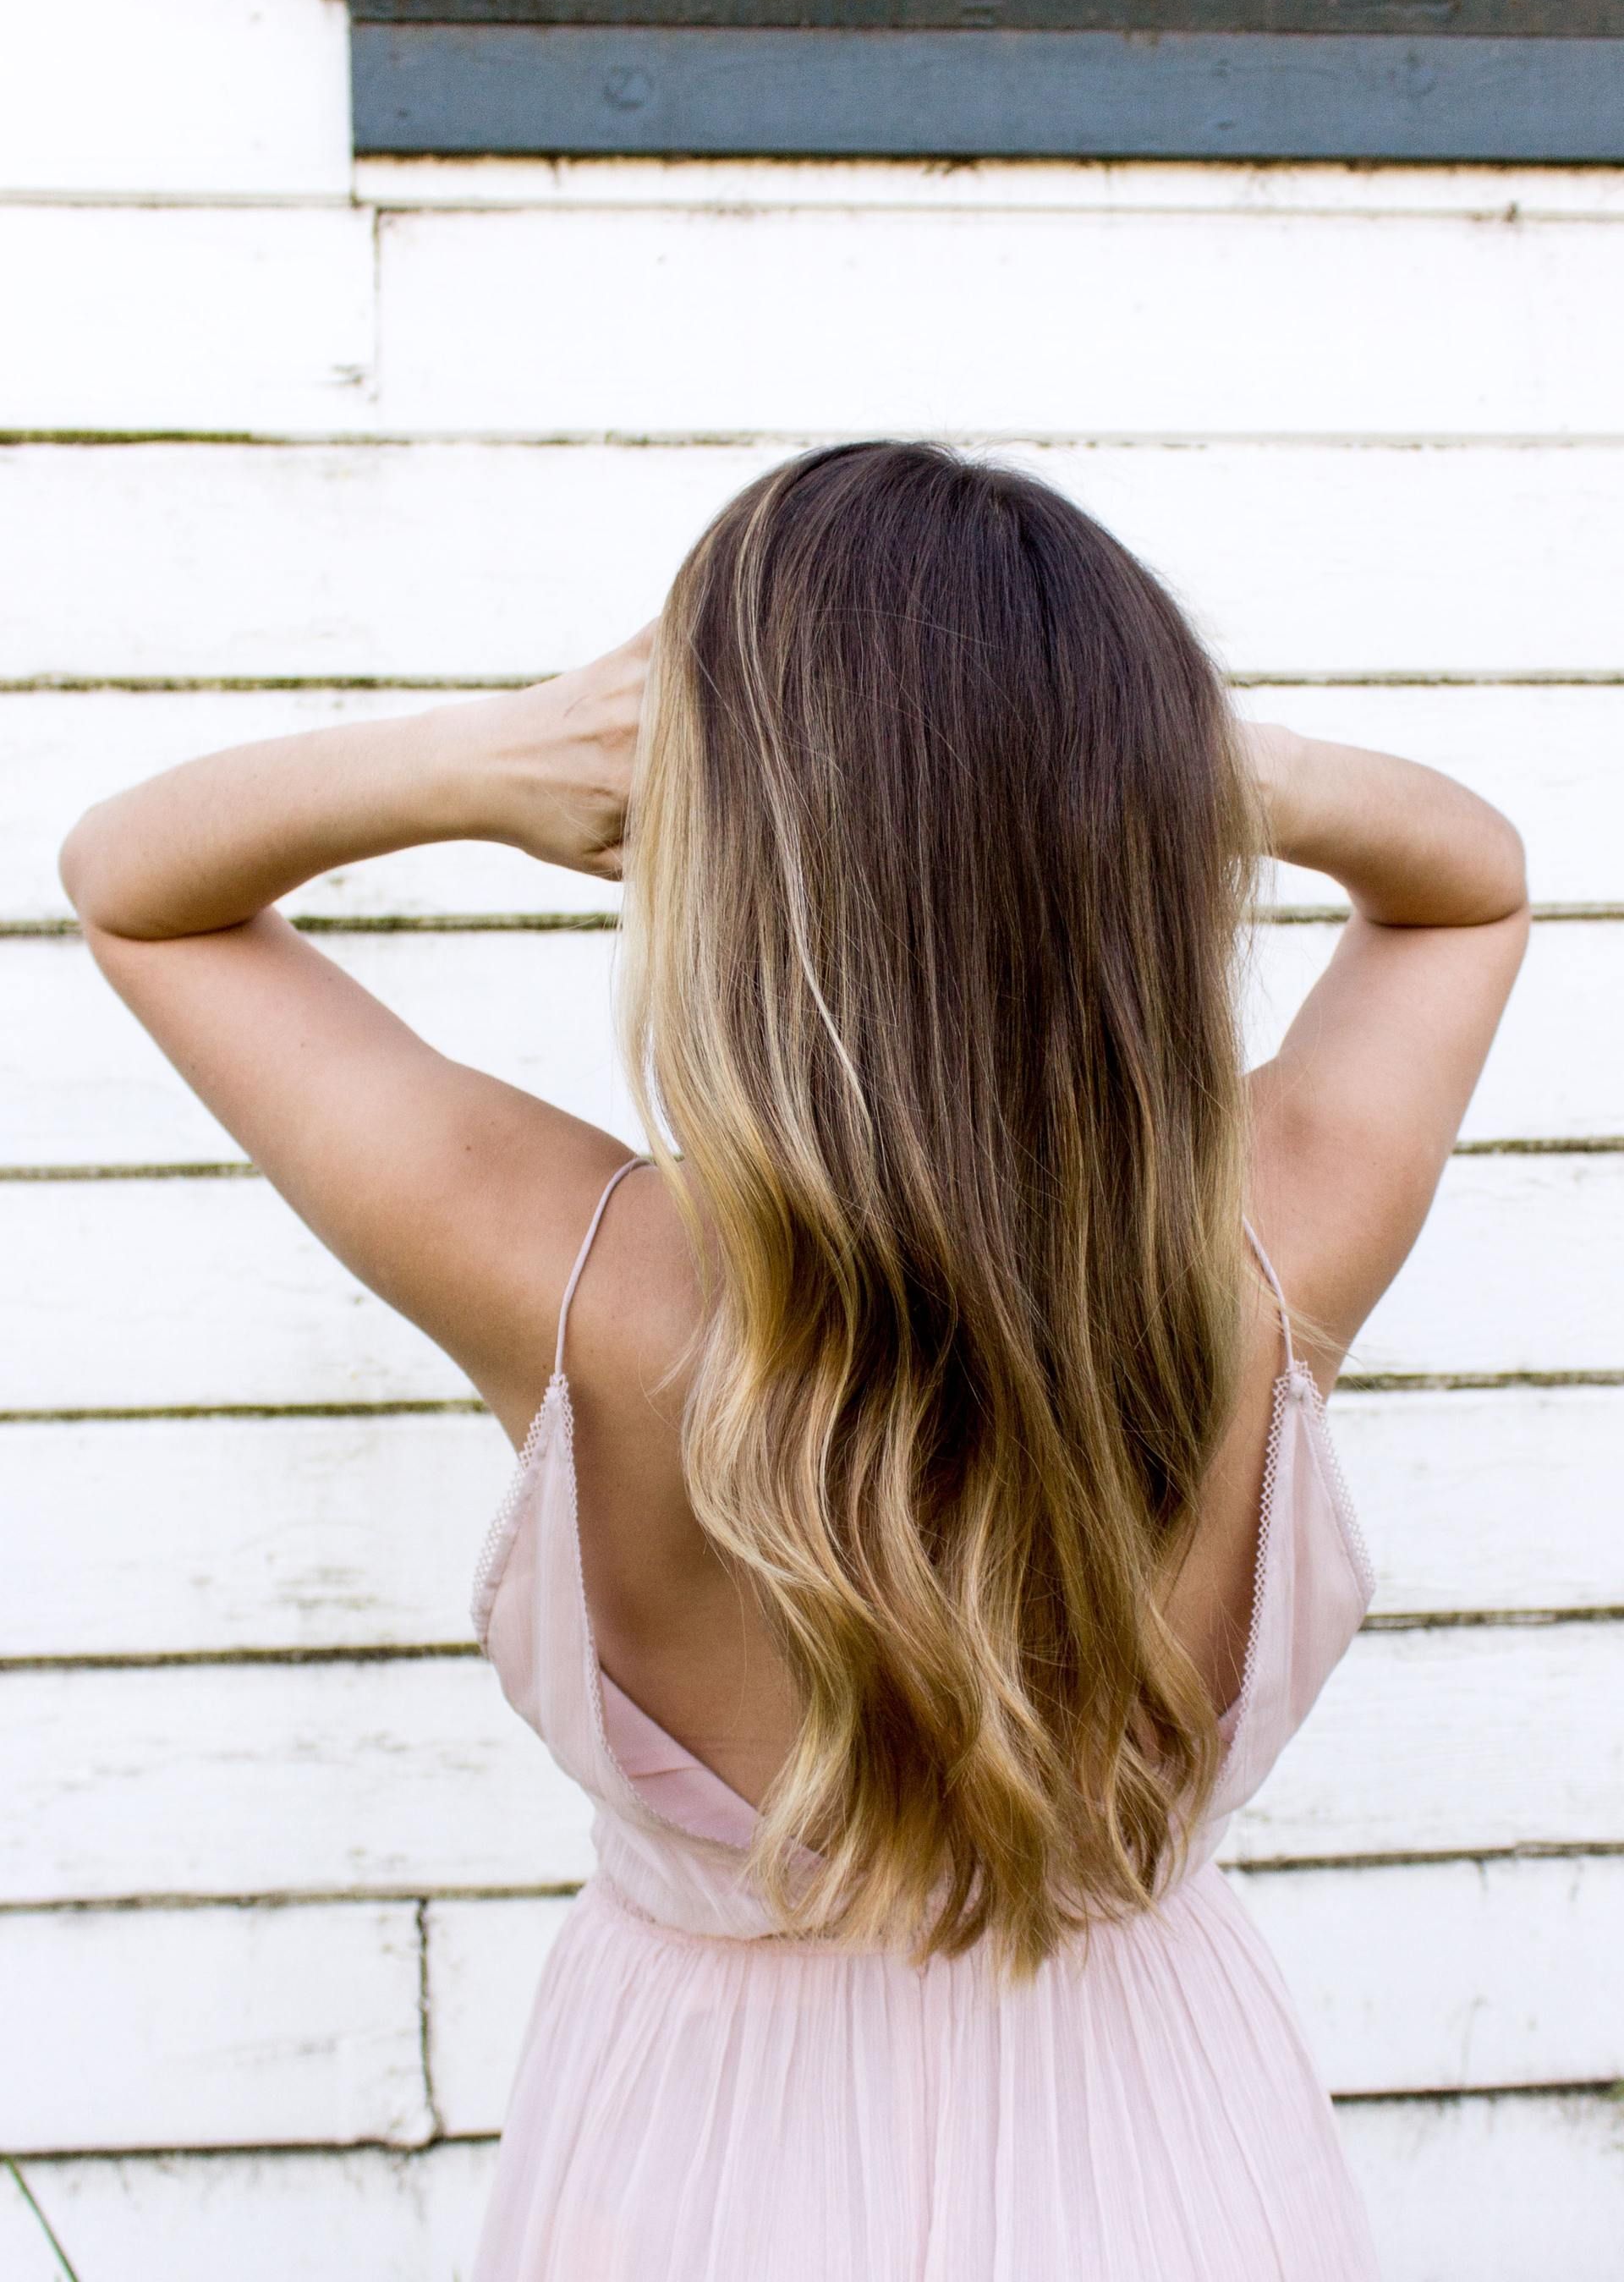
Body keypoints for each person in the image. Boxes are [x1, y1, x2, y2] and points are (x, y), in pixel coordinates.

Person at [60, 442, 1528, 2279]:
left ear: (720, 861)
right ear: (1155, 848)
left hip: (688, 2182)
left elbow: (132, 883)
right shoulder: (1265, 1252)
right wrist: (1202, 761)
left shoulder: (581, 1286)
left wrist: (487, 756)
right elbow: (1470, 883)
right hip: (1169, 2166)